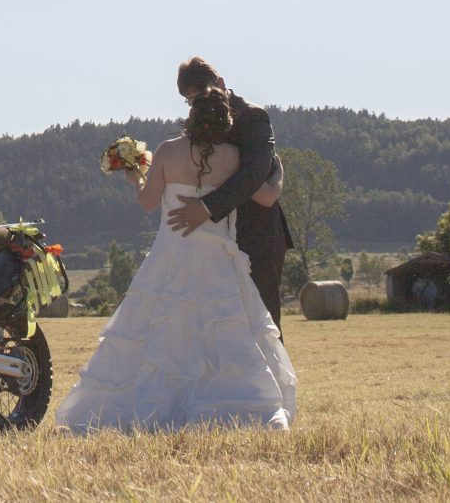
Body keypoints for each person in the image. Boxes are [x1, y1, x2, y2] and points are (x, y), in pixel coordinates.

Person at [52, 73, 299, 433]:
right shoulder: (233, 157)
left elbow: (148, 202)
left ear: (190, 116)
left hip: (171, 257)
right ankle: (229, 405)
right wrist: (278, 175)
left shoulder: (167, 152)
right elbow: (265, 196)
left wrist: (135, 177)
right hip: (217, 261)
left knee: (158, 330)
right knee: (225, 333)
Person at [165, 56, 295, 327]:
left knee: (263, 323)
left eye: (200, 96)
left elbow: (252, 174)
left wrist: (206, 208)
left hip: (257, 234)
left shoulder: (253, 117)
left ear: (221, 83)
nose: (196, 105)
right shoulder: (199, 122)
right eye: (190, 101)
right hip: (215, 237)